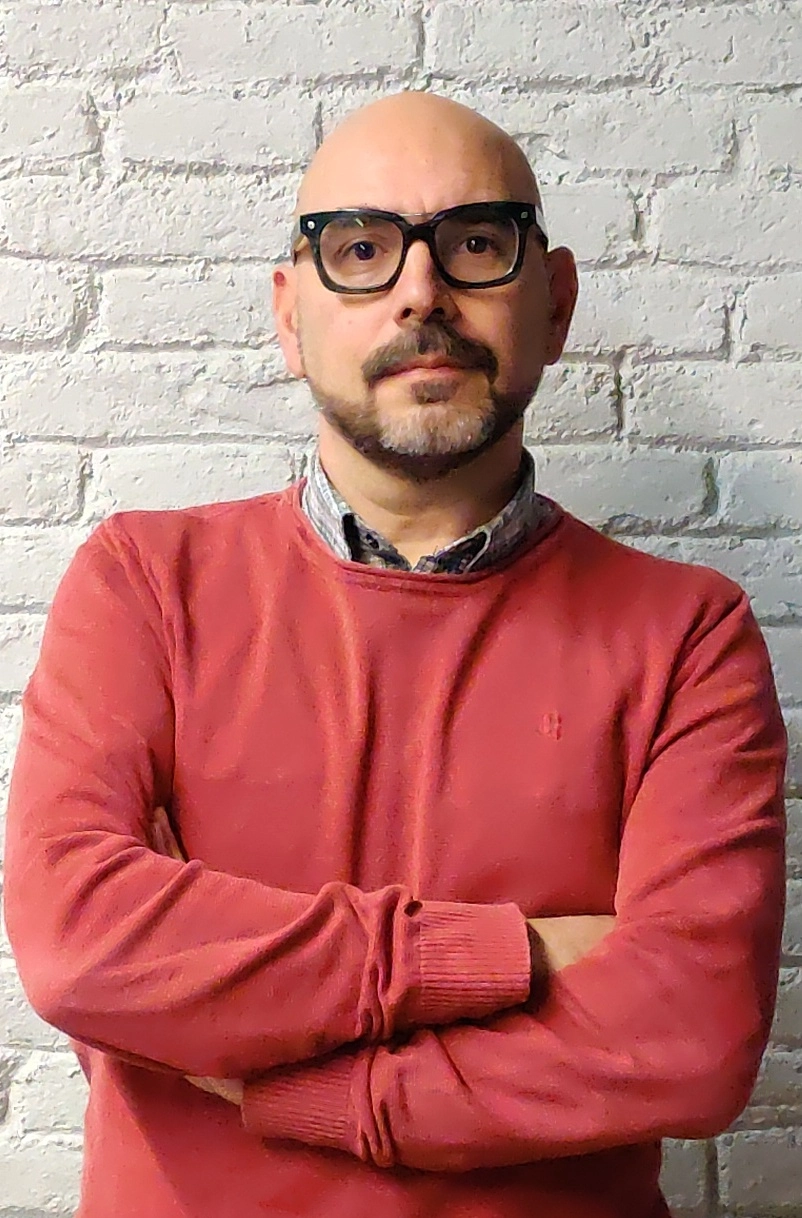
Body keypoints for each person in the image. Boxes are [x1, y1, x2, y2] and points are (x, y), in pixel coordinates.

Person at [3, 91, 787, 1218]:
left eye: (475, 243)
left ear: (554, 302)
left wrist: (287, 1085)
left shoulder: (687, 634)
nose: (420, 291)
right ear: (289, 314)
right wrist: (514, 955)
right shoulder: (141, 584)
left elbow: (692, 1036)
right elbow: (83, 946)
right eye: (360, 249)